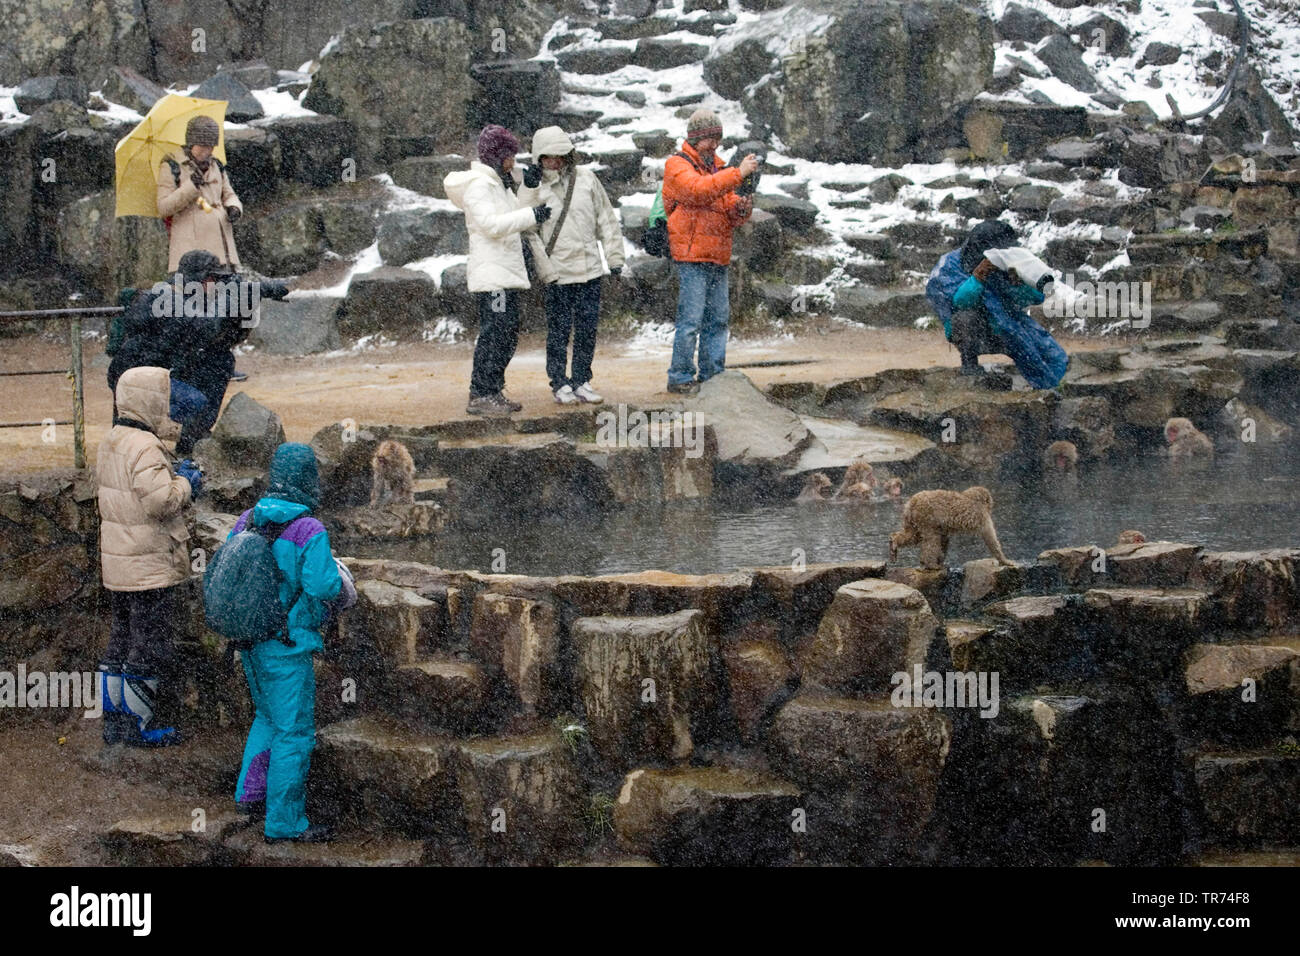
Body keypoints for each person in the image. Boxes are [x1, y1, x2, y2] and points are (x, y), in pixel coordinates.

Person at [230, 442, 354, 843]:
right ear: (309, 479)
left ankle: (250, 795)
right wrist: (341, 578)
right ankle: (284, 823)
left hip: (249, 642)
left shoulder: (246, 521)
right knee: (294, 733)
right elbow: (322, 585)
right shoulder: (308, 530)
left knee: (265, 718)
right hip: (288, 648)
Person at [97, 366, 202, 747]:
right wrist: (186, 481)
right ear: (149, 400)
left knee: (120, 639)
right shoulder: (145, 446)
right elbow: (160, 501)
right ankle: (140, 728)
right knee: (147, 644)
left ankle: (113, 725)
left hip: (120, 562)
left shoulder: (113, 438)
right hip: (147, 567)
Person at [109, 251, 290, 456]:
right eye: (213, 279)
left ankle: (191, 443)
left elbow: (221, 341)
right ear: (196, 278)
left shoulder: (186, 296)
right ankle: (186, 439)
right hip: (137, 383)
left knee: (220, 360)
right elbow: (206, 327)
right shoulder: (166, 299)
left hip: (159, 371)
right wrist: (233, 297)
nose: (217, 285)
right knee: (195, 404)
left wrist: (256, 291)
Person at [444, 125, 557, 417]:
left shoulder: (499, 184)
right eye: (510, 155)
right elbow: (492, 225)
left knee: (506, 332)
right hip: (493, 275)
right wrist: (530, 214)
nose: (514, 160)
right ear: (497, 155)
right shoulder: (480, 186)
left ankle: (492, 389)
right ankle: (481, 392)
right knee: (495, 333)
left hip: (504, 272)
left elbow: (515, 218)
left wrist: (529, 191)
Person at [517, 125, 625, 405]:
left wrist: (614, 259)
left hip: (589, 269)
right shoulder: (533, 188)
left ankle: (581, 379)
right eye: (548, 156)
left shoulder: (587, 179)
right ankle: (558, 382)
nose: (554, 161)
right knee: (558, 331)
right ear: (539, 157)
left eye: (560, 155)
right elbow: (526, 227)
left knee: (587, 329)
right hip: (557, 273)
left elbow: (606, 220)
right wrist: (545, 270)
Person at [663, 109, 759, 395]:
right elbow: (698, 191)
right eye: (708, 139)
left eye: (717, 139)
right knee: (690, 321)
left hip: (718, 255)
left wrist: (741, 208)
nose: (714, 145)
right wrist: (737, 173)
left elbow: (729, 211)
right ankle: (679, 377)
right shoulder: (676, 165)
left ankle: (712, 375)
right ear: (694, 139)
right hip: (692, 256)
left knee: (718, 319)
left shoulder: (718, 167)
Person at [156, 114, 250, 381]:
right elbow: (163, 206)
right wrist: (190, 187)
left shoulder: (218, 166)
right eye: (202, 146)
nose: (207, 152)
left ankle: (222, 363)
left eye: (211, 146)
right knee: (194, 313)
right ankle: (192, 366)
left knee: (227, 309)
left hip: (223, 250)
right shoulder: (172, 166)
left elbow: (228, 193)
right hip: (192, 257)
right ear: (191, 144)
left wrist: (234, 208)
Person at [925, 219, 1070, 389]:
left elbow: (1036, 298)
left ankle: (1048, 382)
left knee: (1045, 353)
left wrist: (1017, 285)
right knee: (965, 318)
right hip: (974, 333)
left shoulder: (1007, 261)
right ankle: (970, 365)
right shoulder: (950, 266)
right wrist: (978, 276)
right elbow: (960, 303)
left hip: (1006, 326)